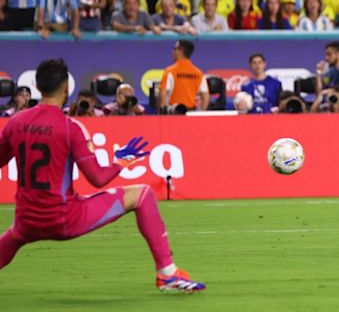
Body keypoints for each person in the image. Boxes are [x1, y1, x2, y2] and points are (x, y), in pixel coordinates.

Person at [0, 59, 205, 292]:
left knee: (14, 237)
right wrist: (121, 161)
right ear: (66, 88)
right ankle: (167, 273)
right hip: (64, 219)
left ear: (37, 85)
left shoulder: (15, 122)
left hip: (26, 220)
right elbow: (97, 178)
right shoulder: (70, 127)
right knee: (143, 195)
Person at [159, 40, 210, 112]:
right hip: (191, 114)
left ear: (180, 51)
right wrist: (200, 113)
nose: (172, 52)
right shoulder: (199, 73)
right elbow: (205, 97)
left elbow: (163, 94)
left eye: (174, 49)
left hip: (173, 113)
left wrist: (162, 115)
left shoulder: (170, 71)